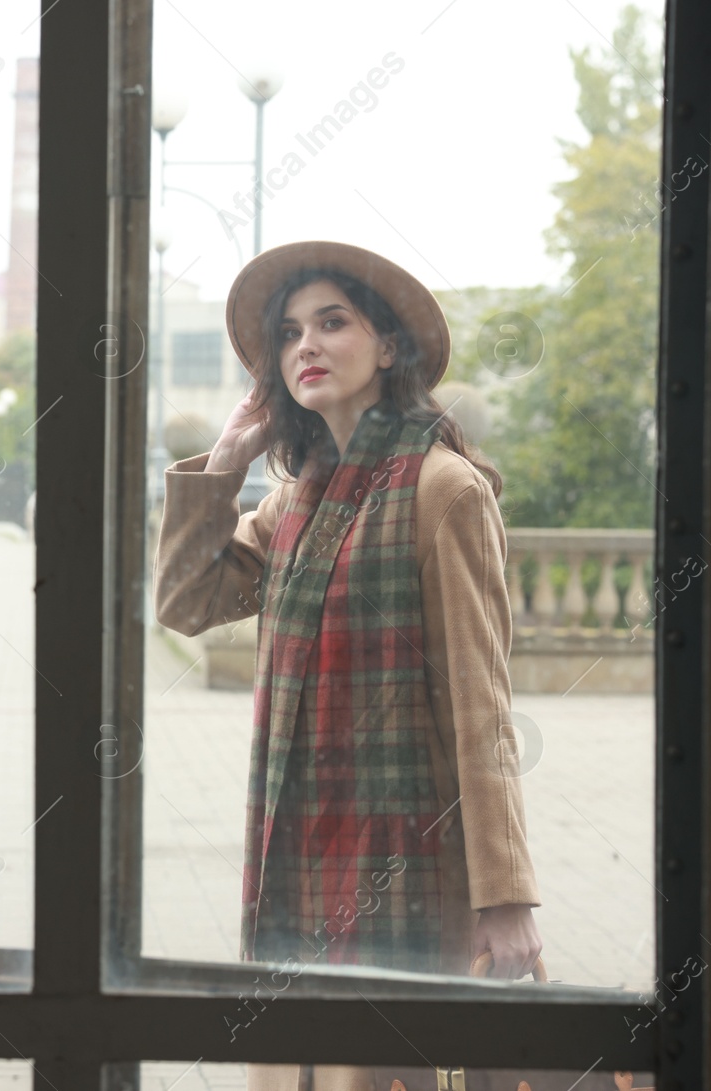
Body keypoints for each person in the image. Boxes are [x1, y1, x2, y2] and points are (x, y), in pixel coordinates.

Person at [153, 241, 541, 1090]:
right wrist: (225, 463)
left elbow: (482, 708)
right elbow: (185, 602)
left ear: (390, 347)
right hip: (294, 860)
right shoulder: (295, 499)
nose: (306, 346)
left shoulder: (445, 490)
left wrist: (505, 895)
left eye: (333, 322)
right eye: (290, 332)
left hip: (404, 869)